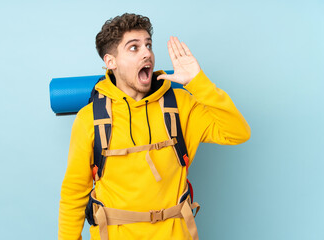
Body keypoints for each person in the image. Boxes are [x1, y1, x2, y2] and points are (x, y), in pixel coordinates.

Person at [58, 13, 251, 240]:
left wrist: (197, 81)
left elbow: (237, 132)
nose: (147, 53)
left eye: (148, 45)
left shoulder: (180, 105)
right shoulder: (89, 119)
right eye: (134, 48)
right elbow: (74, 193)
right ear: (111, 62)